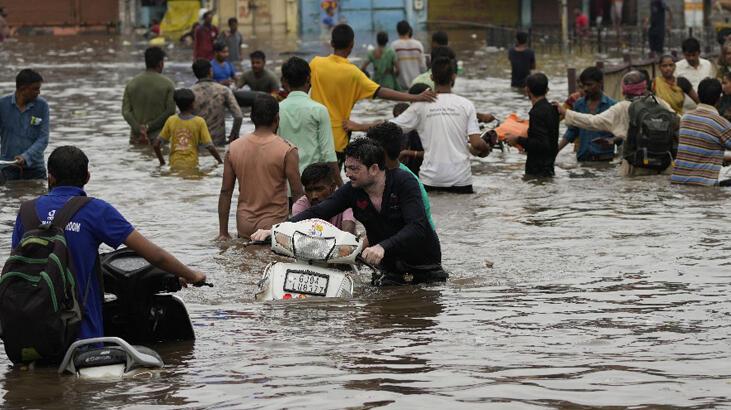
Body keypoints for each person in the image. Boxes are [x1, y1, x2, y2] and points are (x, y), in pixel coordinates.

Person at [10, 146, 206, 341]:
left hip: (29, 334)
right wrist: (192, 275)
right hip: (83, 336)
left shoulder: (26, 211)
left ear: (50, 177)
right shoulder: (95, 210)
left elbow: (16, 267)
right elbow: (155, 255)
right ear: (87, 177)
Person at [252, 138, 445, 284]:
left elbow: (417, 226)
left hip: (424, 268)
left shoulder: (405, 182)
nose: (347, 174)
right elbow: (318, 212)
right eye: (346, 168)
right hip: (389, 270)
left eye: (354, 169)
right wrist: (275, 230)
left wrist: (382, 246)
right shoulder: (353, 190)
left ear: (374, 168)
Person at [346, 57, 491, 193]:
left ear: (432, 77)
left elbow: (387, 127)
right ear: (454, 76)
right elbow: (477, 144)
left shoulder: (422, 105)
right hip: (461, 181)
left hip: (431, 180)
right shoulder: (466, 105)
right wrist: (486, 148)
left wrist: (358, 126)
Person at [309, 23, 436, 165]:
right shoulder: (354, 73)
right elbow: (382, 92)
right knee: (331, 184)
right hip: (337, 138)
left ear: (331, 43)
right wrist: (415, 97)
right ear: (352, 45)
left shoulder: (315, 64)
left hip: (313, 136)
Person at [557, 70, 678, 177]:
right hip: (663, 163)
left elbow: (593, 121)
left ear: (624, 89)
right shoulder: (659, 103)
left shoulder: (621, 107)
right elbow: (678, 123)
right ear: (645, 86)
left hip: (635, 165)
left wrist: (566, 113)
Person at [217, 95, 303, 240]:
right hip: (273, 224)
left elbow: (226, 192)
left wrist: (223, 233)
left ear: (251, 118)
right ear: (277, 118)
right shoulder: (287, 149)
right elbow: (297, 193)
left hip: (244, 223)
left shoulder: (234, 148)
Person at [278, 56, 339, 180]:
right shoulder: (319, 110)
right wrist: (340, 186)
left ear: (284, 81)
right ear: (308, 79)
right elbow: (328, 154)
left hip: (284, 184)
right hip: (313, 186)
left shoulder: (277, 109)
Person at [365, 121, 435, 228]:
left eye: (370, 149)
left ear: (381, 152)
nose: (367, 154)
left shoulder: (406, 182)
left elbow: (410, 228)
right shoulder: (383, 174)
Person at [671, 78, 731, 186]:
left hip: (678, 182)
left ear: (698, 95)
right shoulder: (721, 123)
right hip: (704, 185)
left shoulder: (685, 117)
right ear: (719, 98)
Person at [153, 89, 223, 171]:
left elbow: (156, 144)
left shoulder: (171, 120)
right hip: (192, 165)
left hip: (174, 165)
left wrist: (162, 162)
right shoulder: (199, 121)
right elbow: (210, 147)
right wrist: (220, 162)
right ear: (192, 104)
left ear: (176, 104)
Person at [557, 67, 617, 162]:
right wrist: (556, 150)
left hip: (605, 161)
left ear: (600, 83)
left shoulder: (612, 106)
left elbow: (622, 134)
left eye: (589, 85)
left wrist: (612, 140)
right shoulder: (578, 104)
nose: (585, 89)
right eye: (583, 85)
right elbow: (572, 131)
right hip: (583, 159)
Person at [505, 73, 559, 177]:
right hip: (549, 167)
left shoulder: (537, 112)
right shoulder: (553, 109)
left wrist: (517, 139)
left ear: (527, 90)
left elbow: (541, 144)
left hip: (537, 170)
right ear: (547, 89)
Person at [0, 69, 49, 181]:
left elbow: (43, 138)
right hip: (7, 167)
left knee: (36, 196)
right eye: (35, 89)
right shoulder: (2, 105)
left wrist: (26, 157)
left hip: (35, 169)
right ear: (23, 89)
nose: (39, 92)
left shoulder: (42, 106)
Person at [122, 46, 176, 145]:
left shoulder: (131, 84)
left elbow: (126, 112)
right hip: (159, 137)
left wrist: (139, 129)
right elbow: (170, 111)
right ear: (161, 63)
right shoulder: (168, 84)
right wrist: (149, 127)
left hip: (137, 137)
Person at [190, 59, 243, 146]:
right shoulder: (223, 90)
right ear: (210, 71)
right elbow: (238, 116)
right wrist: (234, 135)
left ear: (195, 74)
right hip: (218, 141)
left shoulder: (190, 92)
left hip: (197, 142)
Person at [292, 162, 355, 234]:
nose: (314, 196)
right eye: (309, 190)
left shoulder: (345, 200)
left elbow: (348, 229)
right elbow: (299, 233)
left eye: (319, 189)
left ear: (332, 187)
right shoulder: (300, 205)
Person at [392, 20, 426, 90]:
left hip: (400, 86)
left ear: (397, 31)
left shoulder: (394, 46)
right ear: (409, 30)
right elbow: (423, 67)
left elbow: (393, 68)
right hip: (416, 85)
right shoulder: (418, 45)